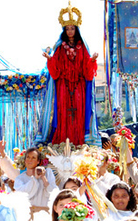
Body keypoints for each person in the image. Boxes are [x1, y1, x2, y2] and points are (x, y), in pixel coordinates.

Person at [37, 2, 98, 146]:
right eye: (67, 28)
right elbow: (55, 72)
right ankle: (62, 143)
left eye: (72, 28)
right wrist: (50, 60)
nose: (70, 31)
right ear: (64, 30)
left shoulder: (83, 47)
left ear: (76, 29)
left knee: (79, 115)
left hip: (79, 86)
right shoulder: (59, 47)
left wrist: (92, 61)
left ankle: (79, 143)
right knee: (64, 114)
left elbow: (87, 72)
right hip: (63, 86)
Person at [14, 147, 57, 221]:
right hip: (29, 215)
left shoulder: (48, 173)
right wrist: (34, 179)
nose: (30, 160)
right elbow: (23, 194)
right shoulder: (20, 178)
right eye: (28, 157)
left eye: (33, 157)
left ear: (38, 161)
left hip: (45, 214)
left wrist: (43, 178)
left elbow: (53, 192)